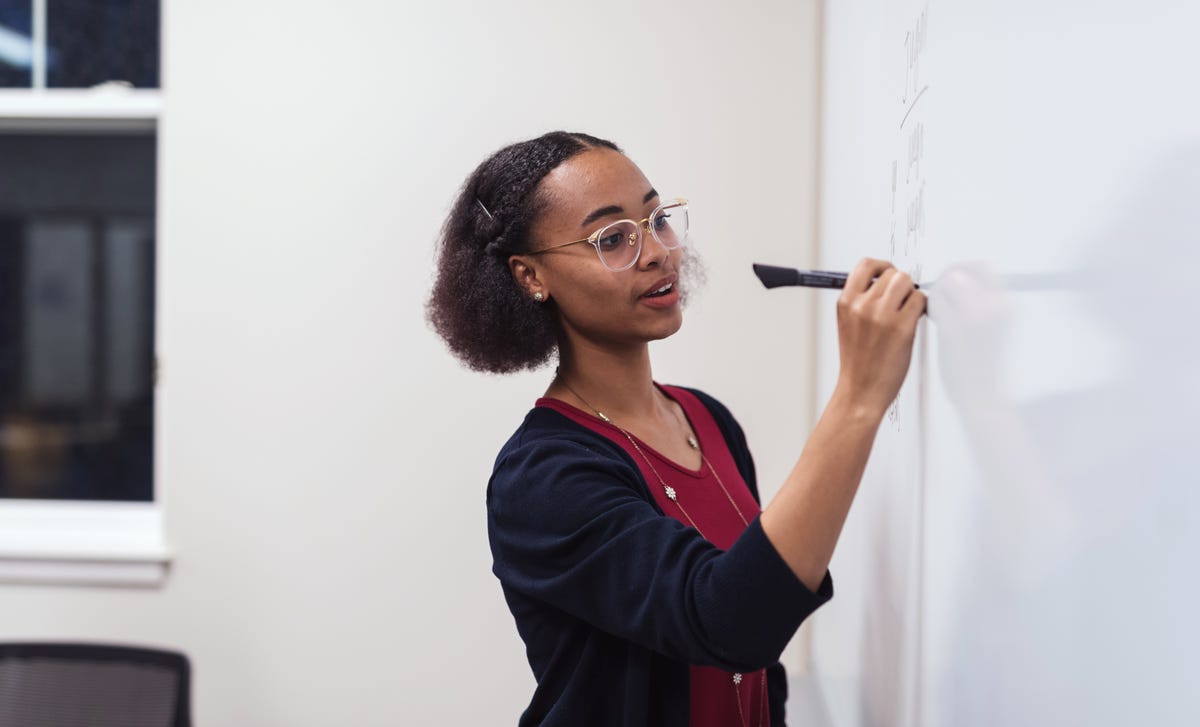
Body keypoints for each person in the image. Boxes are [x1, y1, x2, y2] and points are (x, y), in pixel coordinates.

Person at [427, 131, 924, 727]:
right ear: (531, 276)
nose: (658, 251)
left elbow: (757, 667)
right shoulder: (541, 478)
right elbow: (731, 621)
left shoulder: (707, 419)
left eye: (657, 219)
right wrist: (860, 397)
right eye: (613, 239)